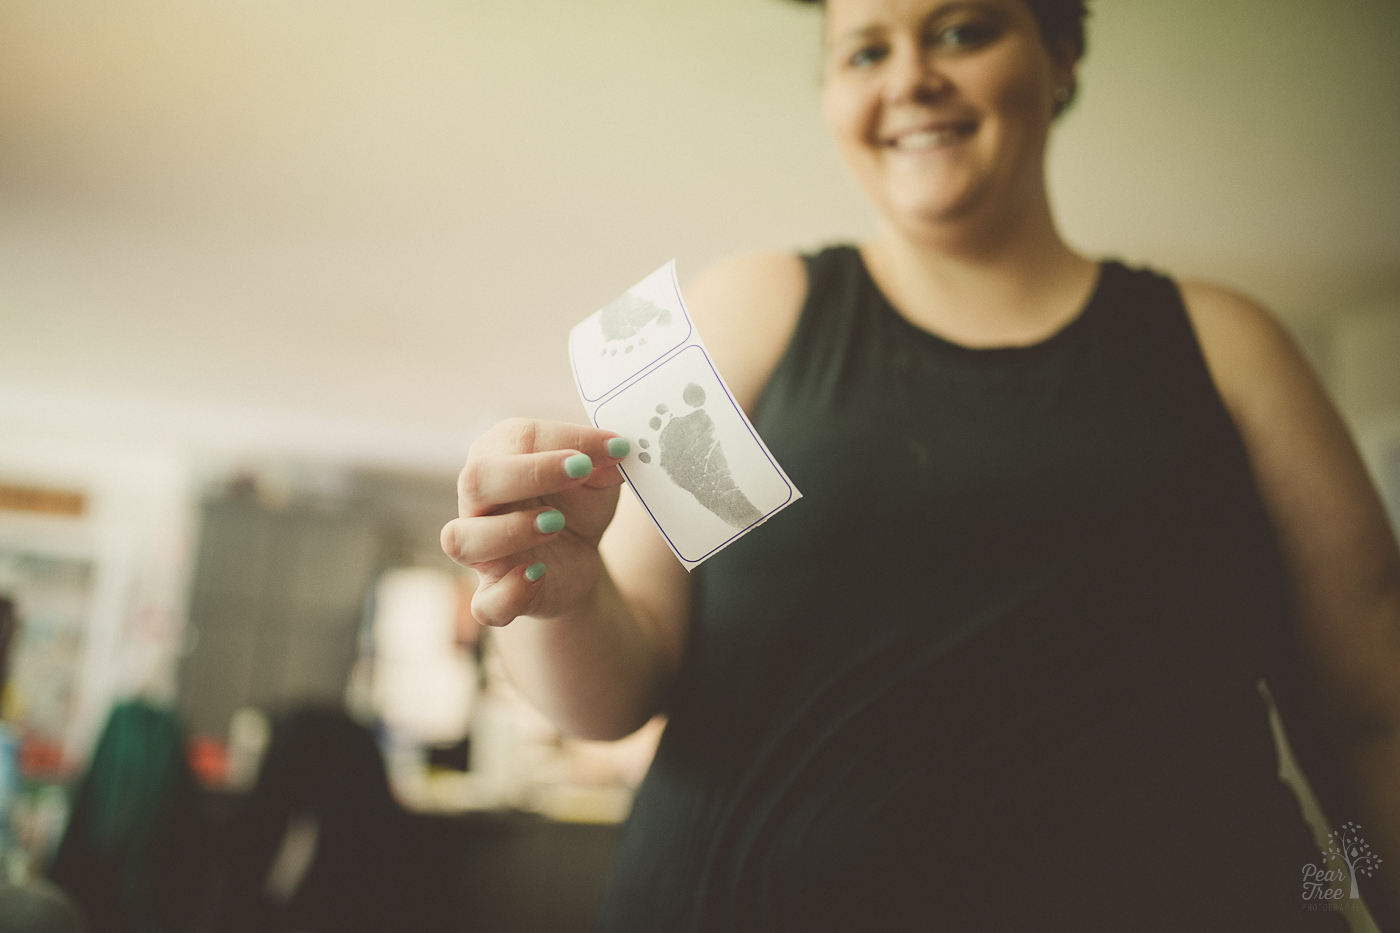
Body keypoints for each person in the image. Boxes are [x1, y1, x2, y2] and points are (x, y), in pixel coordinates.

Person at [441, 0, 1400, 928]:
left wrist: (1348, 888)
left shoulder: (1230, 348)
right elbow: (619, 690)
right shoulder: (743, 313)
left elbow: (1367, 715)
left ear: (1060, 52)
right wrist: (556, 595)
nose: (910, 78)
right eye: (864, 51)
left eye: (961, 29)